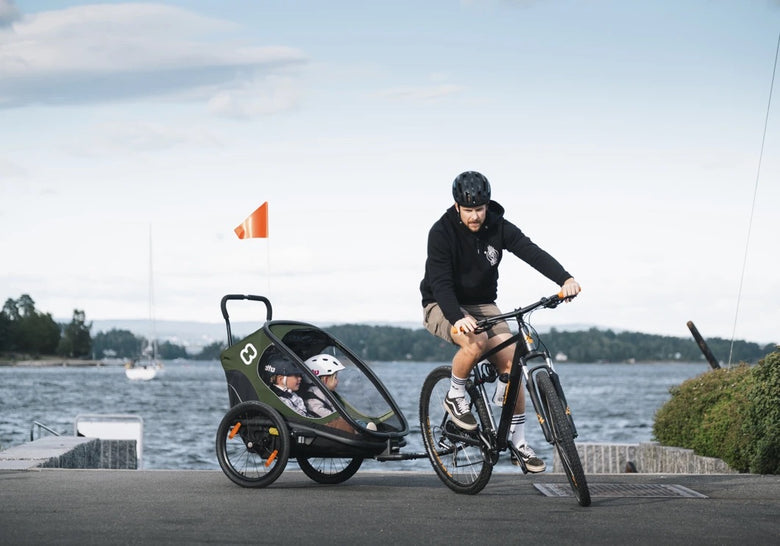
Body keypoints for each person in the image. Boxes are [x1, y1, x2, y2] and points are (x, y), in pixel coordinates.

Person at [419, 171, 581, 472]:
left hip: (484, 304)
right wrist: (458, 317)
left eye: (479, 209)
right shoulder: (441, 233)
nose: (475, 216)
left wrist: (565, 278)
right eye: (468, 210)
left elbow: (531, 251)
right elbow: (440, 284)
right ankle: (455, 395)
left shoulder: (498, 226)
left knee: (513, 363)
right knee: (476, 341)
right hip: (442, 303)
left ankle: (518, 442)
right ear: (457, 207)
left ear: (487, 204)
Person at [300, 353, 345, 417]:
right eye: (335, 378)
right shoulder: (315, 392)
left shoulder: (322, 392)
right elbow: (316, 410)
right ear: (325, 379)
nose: (337, 381)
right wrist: (337, 417)